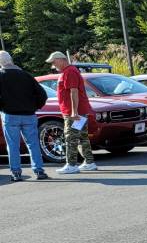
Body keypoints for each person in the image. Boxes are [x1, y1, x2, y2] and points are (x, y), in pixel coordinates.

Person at [0, 51, 51, 183]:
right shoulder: (26, 75)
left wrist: (3, 107)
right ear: (11, 60)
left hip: (10, 114)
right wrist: (35, 106)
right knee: (33, 144)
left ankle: (16, 173)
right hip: (29, 114)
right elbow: (42, 94)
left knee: (12, 145)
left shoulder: (1, 76)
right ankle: (39, 170)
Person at [45, 51, 96, 175]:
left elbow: (74, 92)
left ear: (61, 59)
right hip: (78, 111)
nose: (53, 65)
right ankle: (89, 162)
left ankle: (71, 165)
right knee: (82, 137)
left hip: (74, 113)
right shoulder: (69, 71)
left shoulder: (69, 72)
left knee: (70, 137)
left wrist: (74, 112)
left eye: (54, 62)